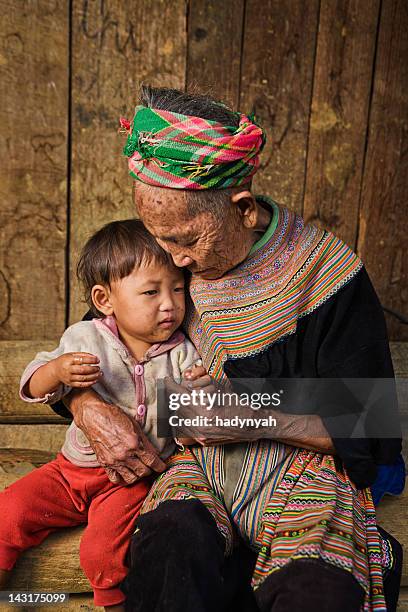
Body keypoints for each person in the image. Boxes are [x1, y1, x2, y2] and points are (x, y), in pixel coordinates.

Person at [55, 87, 403, 612]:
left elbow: (371, 419)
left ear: (241, 210)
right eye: (158, 238)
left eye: (185, 241)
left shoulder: (326, 273)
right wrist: (90, 407)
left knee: (316, 590)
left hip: (306, 471)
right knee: (168, 549)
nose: (173, 260)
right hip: (197, 467)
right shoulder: (169, 261)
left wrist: (257, 418)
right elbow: (96, 347)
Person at [0, 219, 208, 610]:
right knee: (6, 513)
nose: (170, 304)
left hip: (127, 481)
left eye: (178, 289)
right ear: (104, 299)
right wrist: (58, 371)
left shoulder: (183, 353)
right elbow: (32, 382)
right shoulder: (86, 338)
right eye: (151, 292)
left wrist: (197, 393)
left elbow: (185, 426)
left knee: (101, 553)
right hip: (68, 473)